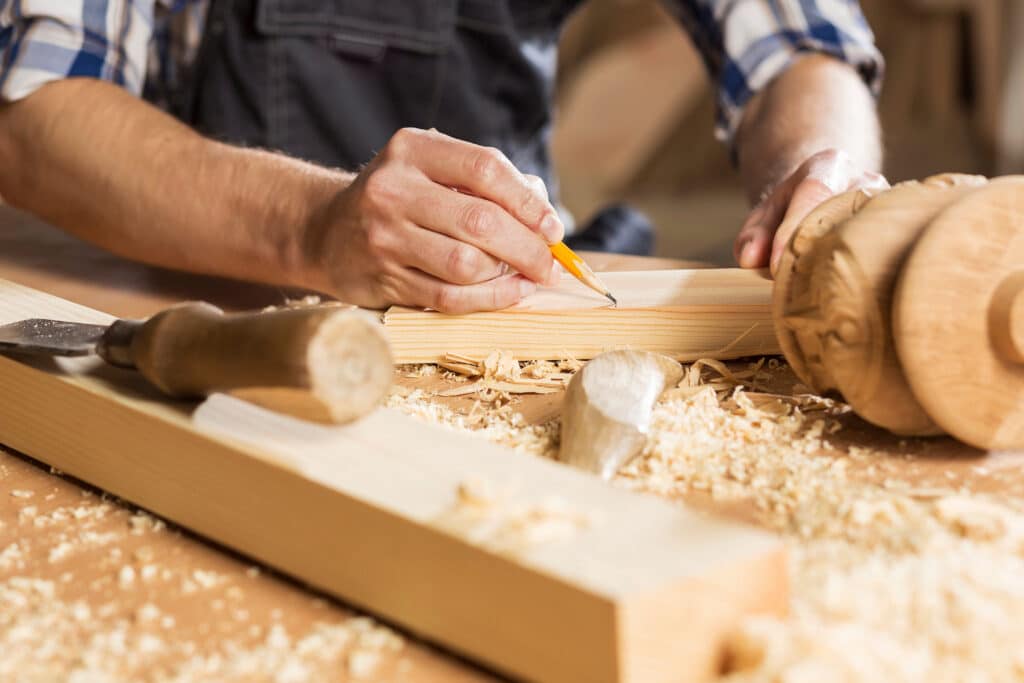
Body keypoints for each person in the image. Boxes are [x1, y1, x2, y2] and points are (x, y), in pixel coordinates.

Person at [0, 1, 887, 313]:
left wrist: (824, 165)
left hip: (497, 316)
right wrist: (313, 226)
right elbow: (35, 113)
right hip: (195, 314)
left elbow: (798, 47)